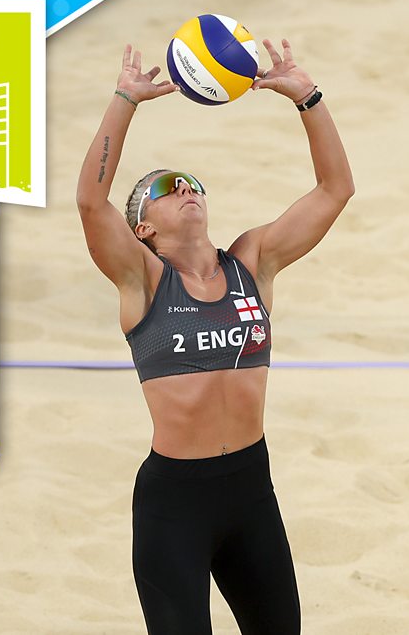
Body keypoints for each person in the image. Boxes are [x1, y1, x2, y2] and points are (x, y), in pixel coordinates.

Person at [76, 38, 353, 634]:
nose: (186, 188)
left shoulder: (252, 263)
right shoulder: (142, 281)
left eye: (191, 181)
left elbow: (336, 191)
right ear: (143, 227)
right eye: (168, 186)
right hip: (175, 503)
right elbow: (90, 200)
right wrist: (125, 100)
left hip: (251, 489)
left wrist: (308, 97)